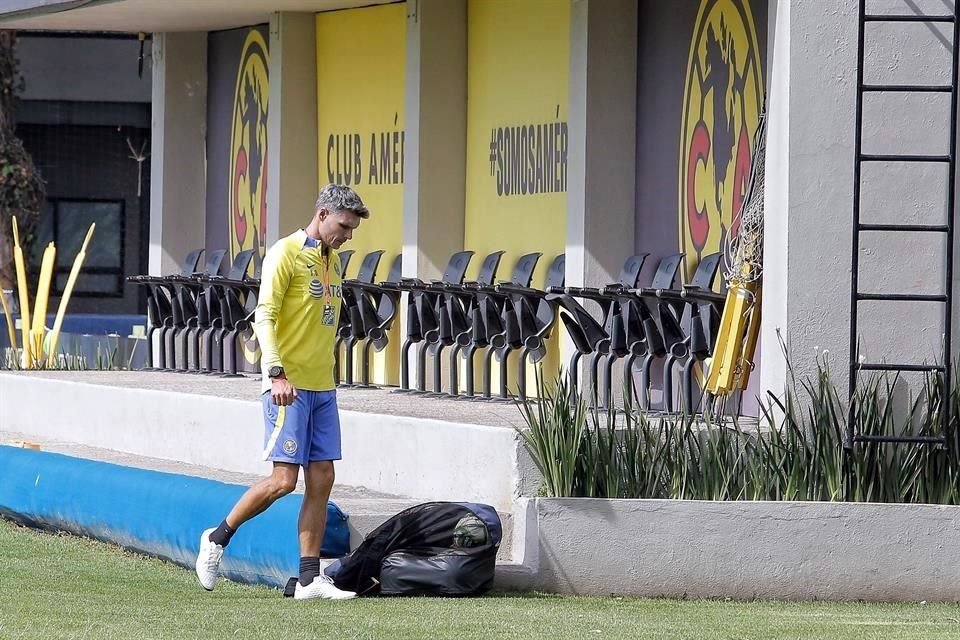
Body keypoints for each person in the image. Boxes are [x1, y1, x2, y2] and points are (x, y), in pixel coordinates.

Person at [195, 184, 368, 601]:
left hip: (322, 386)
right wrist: (275, 373)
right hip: (286, 387)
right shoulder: (285, 252)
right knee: (283, 481)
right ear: (322, 214)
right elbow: (265, 316)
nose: (347, 236)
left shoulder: (334, 261)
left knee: (323, 477)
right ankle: (217, 539)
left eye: (352, 230)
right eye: (343, 226)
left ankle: (309, 579)